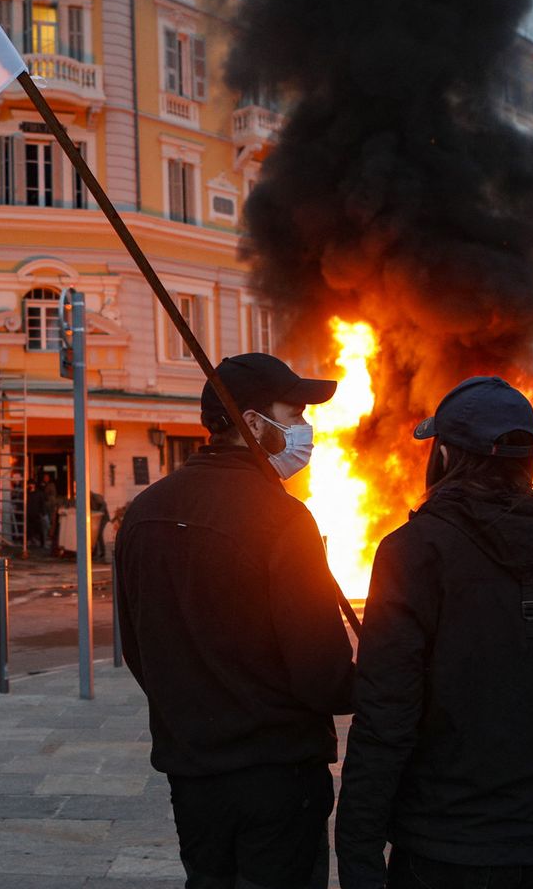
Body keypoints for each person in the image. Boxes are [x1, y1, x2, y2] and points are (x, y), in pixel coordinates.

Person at [336, 376, 533, 889]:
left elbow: (386, 718)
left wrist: (359, 855)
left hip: (445, 851)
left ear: (447, 458)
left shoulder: (412, 554)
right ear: (529, 462)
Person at [115, 352, 355, 889]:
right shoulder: (283, 519)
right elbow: (323, 674)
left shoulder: (143, 512)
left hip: (192, 774)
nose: (304, 430)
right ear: (251, 423)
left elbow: (137, 648)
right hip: (278, 775)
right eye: (291, 416)